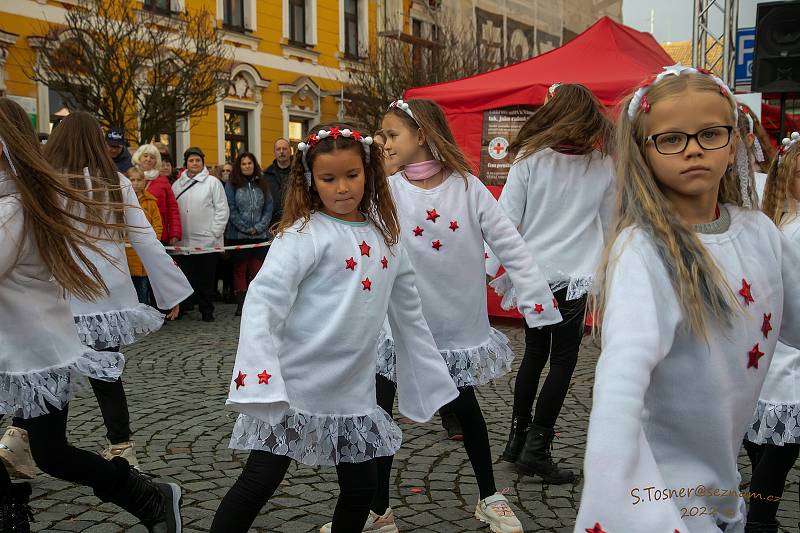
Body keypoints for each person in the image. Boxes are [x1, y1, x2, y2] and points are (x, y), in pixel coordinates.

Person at [574, 65, 800, 533]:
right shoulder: (643, 249)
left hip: (721, 481)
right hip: (660, 492)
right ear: (644, 151)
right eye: (671, 139)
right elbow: (622, 375)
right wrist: (612, 485)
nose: (693, 148)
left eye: (709, 133)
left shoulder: (760, 232)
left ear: (734, 142)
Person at [209, 124, 459, 532]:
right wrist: (259, 373)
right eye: (329, 179)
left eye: (351, 176)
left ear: (368, 174)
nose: (342, 188)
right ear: (311, 180)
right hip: (295, 386)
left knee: (361, 489)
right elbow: (263, 301)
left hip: (352, 391)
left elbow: (409, 312)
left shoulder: (387, 240)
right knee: (259, 480)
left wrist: (428, 379)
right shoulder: (302, 235)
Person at [347, 99, 561, 533]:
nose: (382, 143)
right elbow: (352, 241)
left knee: (465, 409)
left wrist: (537, 302)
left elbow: (509, 243)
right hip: (396, 327)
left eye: (391, 135)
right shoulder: (384, 190)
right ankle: (378, 510)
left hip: (451, 325)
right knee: (380, 412)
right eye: (382, 136)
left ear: (421, 135)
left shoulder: (467, 187)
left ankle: (488, 496)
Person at [0, 97, 182, 531]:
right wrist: (169, 288)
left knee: (55, 443)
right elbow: (143, 238)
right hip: (76, 303)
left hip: (51, 325)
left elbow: (141, 234)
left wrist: (168, 288)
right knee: (98, 386)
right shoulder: (79, 186)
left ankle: (131, 471)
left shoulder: (27, 199)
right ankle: (15, 501)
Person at [486, 83, 615, 483]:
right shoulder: (604, 164)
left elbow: (505, 220)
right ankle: (536, 450)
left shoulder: (528, 159)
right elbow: (611, 225)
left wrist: (494, 267)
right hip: (576, 276)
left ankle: (517, 439)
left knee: (535, 355)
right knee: (562, 360)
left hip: (533, 274)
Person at [741, 133, 800, 533]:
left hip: (765, 359)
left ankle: (759, 517)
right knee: (777, 457)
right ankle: (758, 522)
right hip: (787, 360)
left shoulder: (775, 225)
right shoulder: (790, 230)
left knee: (768, 453)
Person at [172, 147, 229, 322]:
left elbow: (222, 210)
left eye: (197, 160)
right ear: (186, 163)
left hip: (207, 241)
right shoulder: (177, 185)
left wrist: (214, 234)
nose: (194, 163)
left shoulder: (213, 183)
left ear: (202, 162)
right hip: (184, 242)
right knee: (185, 277)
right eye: (191, 160)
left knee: (206, 279)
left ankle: (207, 310)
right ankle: (183, 309)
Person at [224, 152, 273, 316]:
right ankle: (241, 304)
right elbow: (231, 209)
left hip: (260, 236)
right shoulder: (232, 184)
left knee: (256, 270)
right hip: (238, 236)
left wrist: (259, 227)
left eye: (249, 163)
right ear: (239, 166)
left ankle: (256, 302)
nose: (247, 166)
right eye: (244, 164)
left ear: (254, 165)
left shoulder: (262, 183)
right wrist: (246, 228)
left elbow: (268, 207)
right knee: (239, 270)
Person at [124, 166, 163, 305]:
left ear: (145, 181)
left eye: (139, 180)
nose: (135, 183)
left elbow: (157, 225)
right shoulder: (122, 201)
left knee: (142, 289)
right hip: (126, 253)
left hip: (143, 255)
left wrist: (153, 243)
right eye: (132, 179)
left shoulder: (151, 202)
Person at [132, 143, 181, 246]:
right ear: (139, 157)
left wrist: (174, 233)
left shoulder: (162, 180)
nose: (148, 159)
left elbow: (172, 208)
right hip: (132, 232)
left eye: (152, 157)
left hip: (158, 233)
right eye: (145, 156)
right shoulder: (128, 176)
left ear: (156, 161)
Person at [264, 138, 292, 229]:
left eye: (284, 149)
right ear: (274, 152)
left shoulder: (299, 172)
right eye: (278, 149)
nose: (281, 152)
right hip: (273, 224)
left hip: (295, 220)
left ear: (290, 151)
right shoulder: (266, 175)